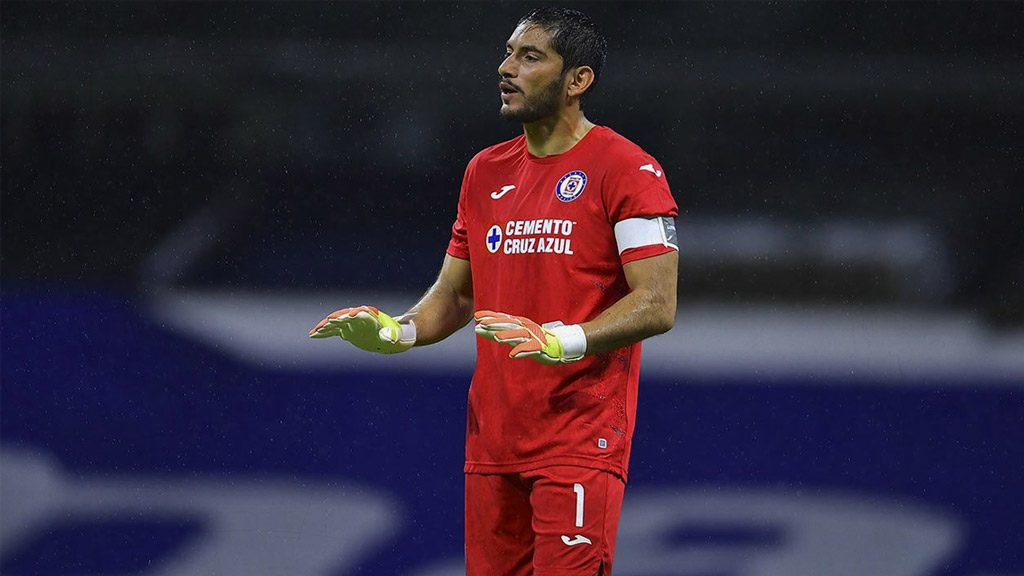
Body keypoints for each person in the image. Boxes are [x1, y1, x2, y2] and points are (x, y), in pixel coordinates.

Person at [310, 7, 678, 575]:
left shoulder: (629, 169)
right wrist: (396, 331)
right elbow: (457, 297)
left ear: (577, 81)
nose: (506, 68)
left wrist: (564, 341)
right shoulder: (484, 171)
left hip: (577, 440)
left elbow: (657, 302)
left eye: (530, 57)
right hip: (492, 444)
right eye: (508, 53)